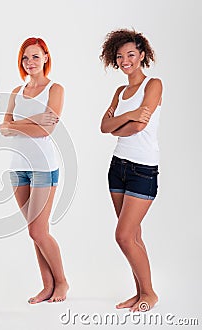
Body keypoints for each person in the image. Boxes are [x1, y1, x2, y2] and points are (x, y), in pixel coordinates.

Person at [1, 37, 69, 304]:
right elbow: (3, 128)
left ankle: (62, 282)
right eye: (25, 58)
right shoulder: (17, 91)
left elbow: (47, 129)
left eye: (35, 57)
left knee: (38, 231)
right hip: (17, 168)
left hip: (43, 167)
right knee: (35, 230)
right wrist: (31, 121)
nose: (30, 62)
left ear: (45, 58)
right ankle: (47, 285)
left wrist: (19, 124)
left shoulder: (55, 89)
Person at [100, 29, 162, 312]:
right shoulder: (120, 92)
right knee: (133, 235)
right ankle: (140, 294)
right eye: (120, 56)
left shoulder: (154, 84)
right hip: (118, 167)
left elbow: (140, 126)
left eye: (131, 55)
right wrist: (129, 116)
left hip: (143, 169)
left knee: (123, 235)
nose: (125, 60)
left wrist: (122, 123)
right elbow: (104, 127)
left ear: (142, 55)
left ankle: (149, 293)